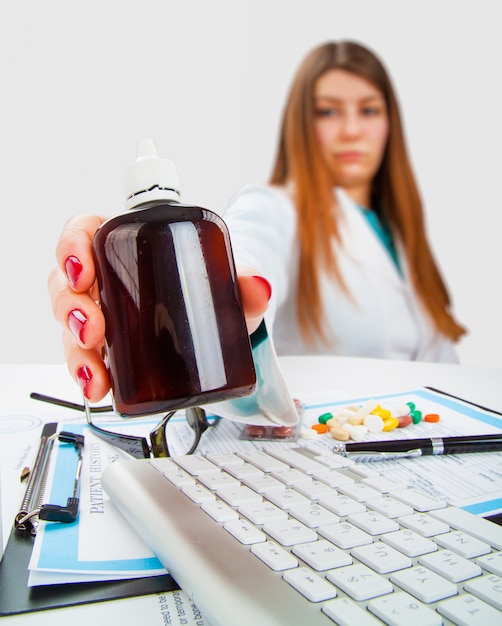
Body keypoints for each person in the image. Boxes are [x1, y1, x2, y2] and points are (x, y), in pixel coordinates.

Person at [48, 40, 465, 404]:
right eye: (328, 112)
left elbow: (445, 372)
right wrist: (217, 298)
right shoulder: (273, 206)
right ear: (301, 125)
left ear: (390, 121)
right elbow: (247, 249)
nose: (352, 129)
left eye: (369, 110)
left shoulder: (402, 236)